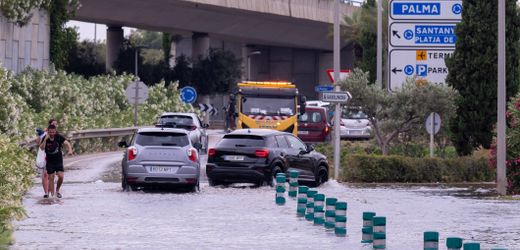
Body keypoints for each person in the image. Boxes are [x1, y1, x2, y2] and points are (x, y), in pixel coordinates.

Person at [39, 124, 73, 198]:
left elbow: (67, 143)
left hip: (58, 160)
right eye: (50, 132)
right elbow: (41, 148)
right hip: (50, 161)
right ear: (48, 132)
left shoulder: (58, 137)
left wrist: (70, 150)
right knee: (51, 177)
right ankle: (53, 195)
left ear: (55, 131)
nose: (52, 134)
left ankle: (57, 190)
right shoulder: (45, 137)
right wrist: (45, 139)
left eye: (53, 132)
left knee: (61, 176)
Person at [35, 119, 59, 198]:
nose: (55, 125)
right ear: (49, 125)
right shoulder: (44, 133)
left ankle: (50, 191)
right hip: (44, 154)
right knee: (45, 174)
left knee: (51, 175)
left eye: (56, 124)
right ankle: (46, 193)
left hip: (53, 155)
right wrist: (40, 134)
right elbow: (38, 143)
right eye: (53, 124)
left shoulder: (57, 134)